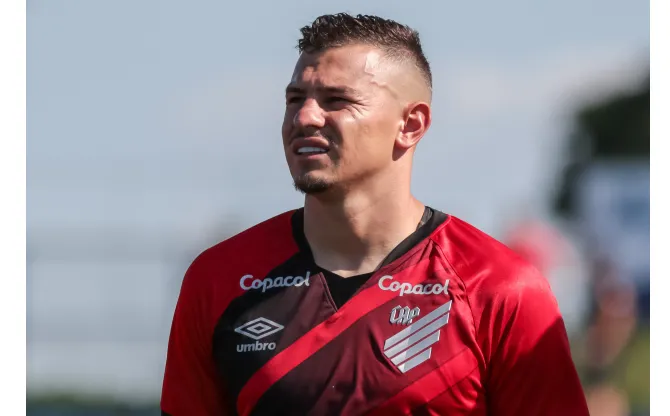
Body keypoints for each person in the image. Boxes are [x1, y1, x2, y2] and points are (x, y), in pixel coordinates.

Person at [161, 13, 589, 416]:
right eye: (295, 99)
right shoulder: (219, 279)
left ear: (411, 125)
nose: (305, 117)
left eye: (336, 100)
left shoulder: (499, 287)